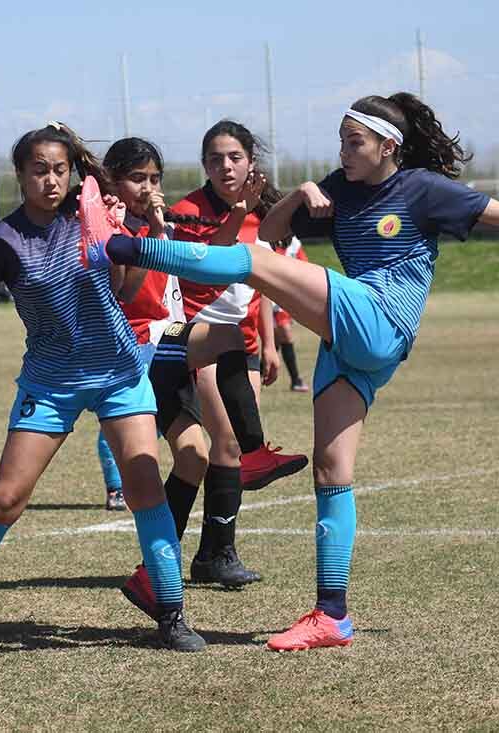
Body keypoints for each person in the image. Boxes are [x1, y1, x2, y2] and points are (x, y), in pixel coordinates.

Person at [79, 93, 499, 651]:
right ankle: (333, 615)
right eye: (342, 141)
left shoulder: (423, 188)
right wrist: (300, 195)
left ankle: (116, 244)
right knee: (332, 470)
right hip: (351, 344)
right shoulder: (339, 185)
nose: (344, 152)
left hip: (380, 316)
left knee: (250, 264)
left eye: (355, 142)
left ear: (387, 146)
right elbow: (271, 233)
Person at [0, 123, 206, 655]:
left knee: (146, 489)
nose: (51, 180)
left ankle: (171, 615)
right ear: (20, 175)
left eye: (60, 169)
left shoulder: (92, 218)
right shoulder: (1, 240)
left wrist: (128, 236)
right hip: (51, 382)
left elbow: (125, 289)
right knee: (5, 498)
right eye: (39, 170)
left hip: (120, 374)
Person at [93, 137, 308, 610]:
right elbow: (125, 295)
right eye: (137, 179)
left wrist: (234, 214)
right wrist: (150, 227)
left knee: (193, 458)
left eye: (154, 179)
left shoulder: (154, 225)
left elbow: (201, 273)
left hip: (166, 347)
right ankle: (252, 455)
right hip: (137, 351)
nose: (148, 188)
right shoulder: (109, 226)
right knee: (228, 338)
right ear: (112, 181)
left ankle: (153, 573)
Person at [167, 120, 296, 586]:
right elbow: (199, 276)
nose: (225, 166)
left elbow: (258, 284)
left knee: (236, 451)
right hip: (198, 337)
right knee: (224, 444)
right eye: (216, 158)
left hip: (242, 344)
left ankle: (215, 554)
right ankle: (199, 556)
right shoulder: (187, 211)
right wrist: (235, 217)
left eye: (235, 157)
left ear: (250, 162)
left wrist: (268, 342)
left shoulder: (266, 214)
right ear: (204, 165)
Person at [272, 238, 311, 393]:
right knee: (285, 334)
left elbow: (305, 267)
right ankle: (296, 380)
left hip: (285, 299)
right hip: (270, 297)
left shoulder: (294, 243)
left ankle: (260, 371)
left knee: (277, 340)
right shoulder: (268, 239)